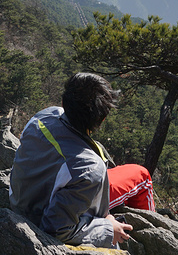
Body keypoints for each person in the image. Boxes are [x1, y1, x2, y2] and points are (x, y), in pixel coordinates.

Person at [9, 72, 155, 248]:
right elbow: (57, 229)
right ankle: (150, 230)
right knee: (142, 175)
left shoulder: (43, 117)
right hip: (43, 212)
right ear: (102, 119)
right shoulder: (89, 168)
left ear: (64, 103)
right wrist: (108, 227)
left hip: (21, 198)